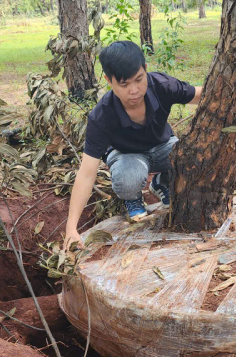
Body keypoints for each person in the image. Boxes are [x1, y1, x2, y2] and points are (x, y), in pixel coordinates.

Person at [64, 41, 203, 249]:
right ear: (109, 81)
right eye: (124, 84)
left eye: (139, 80)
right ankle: (133, 199)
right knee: (129, 179)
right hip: (126, 156)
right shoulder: (101, 117)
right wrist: (71, 228)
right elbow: (86, 173)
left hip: (163, 146)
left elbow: (202, 95)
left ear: (145, 70)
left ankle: (161, 182)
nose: (134, 91)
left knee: (190, 154)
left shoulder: (162, 85)